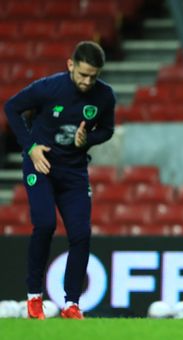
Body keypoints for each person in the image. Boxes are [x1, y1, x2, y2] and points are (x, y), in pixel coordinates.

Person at [4, 41, 115, 319]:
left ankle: (71, 304)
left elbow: (108, 130)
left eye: (94, 76)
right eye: (83, 74)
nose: (88, 81)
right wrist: (30, 146)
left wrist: (88, 138)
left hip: (74, 172)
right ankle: (34, 298)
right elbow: (12, 108)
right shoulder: (48, 88)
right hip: (41, 166)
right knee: (44, 224)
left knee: (81, 235)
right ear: (70, 66)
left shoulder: (104, 96)